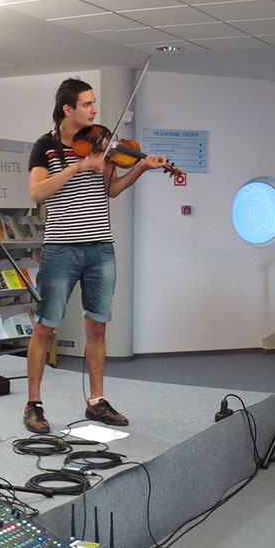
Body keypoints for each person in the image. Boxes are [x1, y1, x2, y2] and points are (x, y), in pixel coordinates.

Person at [24, 78, 163, 433]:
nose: (94, 110)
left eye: (94, 103)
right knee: (46, 326)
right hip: (61, 248)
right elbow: (37, 192)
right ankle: (34, 404)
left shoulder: (103, 144)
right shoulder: (45, 147)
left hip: (100, 248)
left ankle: (97, 400)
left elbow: (111, 190)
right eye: (87, 104)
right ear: (67, 109)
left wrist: (139, 168)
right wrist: (77, 167)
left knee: (97, 326)